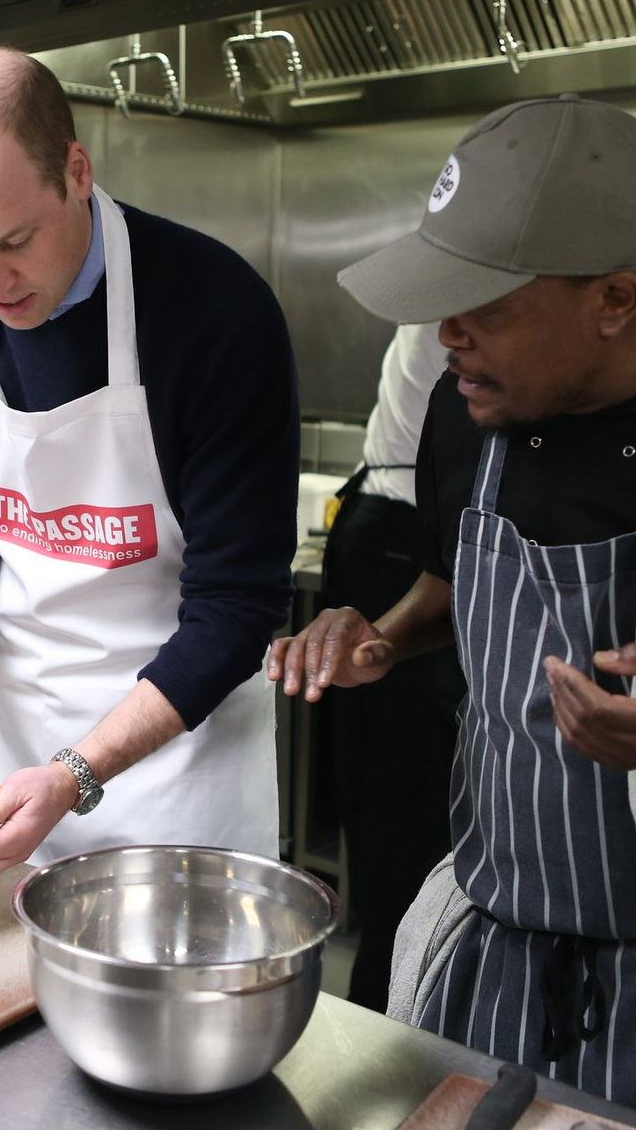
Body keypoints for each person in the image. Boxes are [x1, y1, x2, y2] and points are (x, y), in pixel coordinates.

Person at [268, 93, 636, 1104]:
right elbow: (450, 578)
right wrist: (383, 635)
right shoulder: (463, 416)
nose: (446, 336)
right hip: (494, 944)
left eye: (488, 307)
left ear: (615, 299)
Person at [0, 44, 298, 876]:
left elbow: (236, 605)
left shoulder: (215, 311)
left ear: (76, 169)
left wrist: (76, 774)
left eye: (14, 241)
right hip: (10, 754)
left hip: (181, 770)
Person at [322, 322, 465, 1012]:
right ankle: (391, 1019)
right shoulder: (475, 313)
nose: (456, 335)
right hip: (399, 535)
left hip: (390, 527)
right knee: (403, 821)